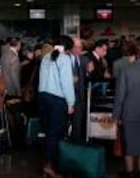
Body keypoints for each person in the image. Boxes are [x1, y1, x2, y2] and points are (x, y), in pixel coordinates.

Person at [39, 36, 75, 178]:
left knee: (49, 132)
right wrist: (70, 103)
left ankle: (48, 164)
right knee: (55, 133)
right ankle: (48, 165)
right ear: (68, 48)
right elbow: (66, 83)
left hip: (43, 96)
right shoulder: (64, 59)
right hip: (57, 100)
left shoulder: (46, 57)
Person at [113, 41, 140, 178]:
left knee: (129, 144)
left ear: (132, 54)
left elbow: (120, 95)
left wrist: (116, 115)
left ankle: (130, 173)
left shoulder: (126, 70)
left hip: (129, 113)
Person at [69, 37, 86, 141]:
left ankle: (76, 145)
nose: (77, 50)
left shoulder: (83, 59)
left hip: (80, 96)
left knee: (78, 123)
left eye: (80, 47)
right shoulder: (65, 58)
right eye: (75, 47)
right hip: (68, 96)